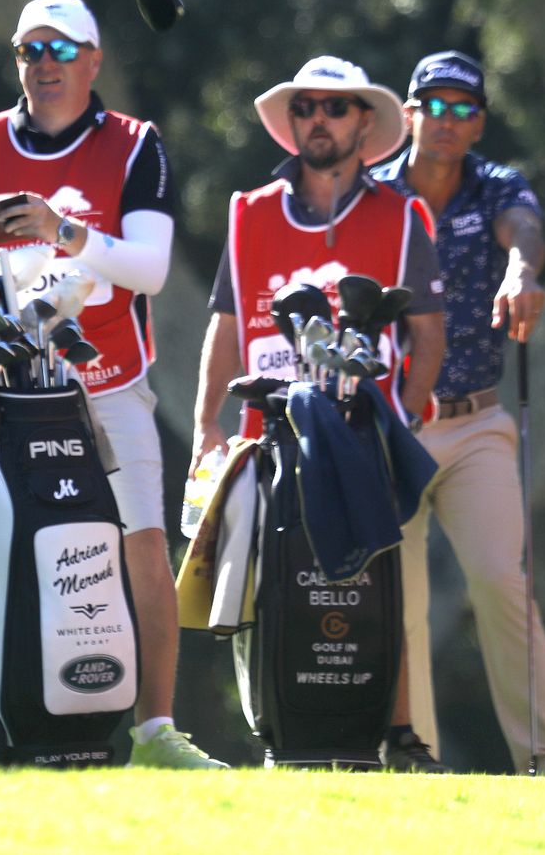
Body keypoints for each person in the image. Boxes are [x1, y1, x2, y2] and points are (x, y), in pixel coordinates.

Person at [0, 0, 223, 769]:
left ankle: (154, 733)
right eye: (29, 51)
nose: (42, 65)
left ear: (92, 60)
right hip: (0, 392)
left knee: (143, 542)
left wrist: (62, 229)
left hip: (110, 381)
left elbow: (147, 268)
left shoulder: (134, 146)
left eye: (58, 50)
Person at [188, 55, 450, 771]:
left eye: (335, 109)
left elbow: (428, 333)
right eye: (305, 108)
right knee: (264, 591)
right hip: (265, 434)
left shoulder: (401, 218)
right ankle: (280, 726)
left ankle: (391, 731)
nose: (318, 121)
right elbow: (229, 325)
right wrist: (205, 424)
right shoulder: (248, 212)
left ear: (365, 122)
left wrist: (407, 412)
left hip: (364, 436)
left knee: (384, 589)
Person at [372, 50, 545, 776]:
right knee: (401, 598)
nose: (449, 121)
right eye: (436, 105)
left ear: (479, 122)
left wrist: (522, 270)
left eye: (465, 109)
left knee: (499, 578)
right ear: (409, 111)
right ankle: (413, 756)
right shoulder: (374, 193)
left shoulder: (496, 187)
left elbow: (524, 229)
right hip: (393, 422)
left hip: (476, 423)